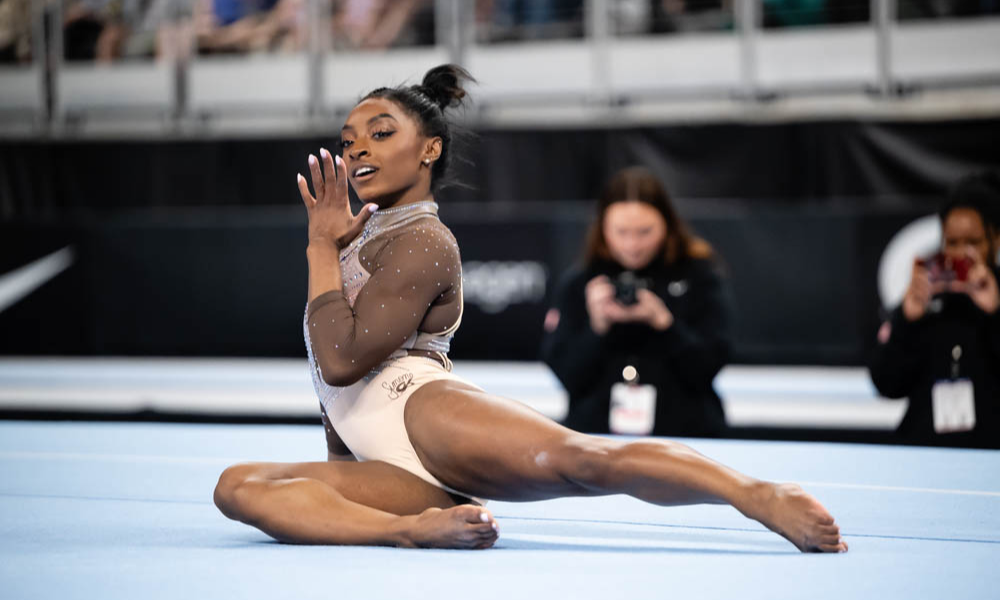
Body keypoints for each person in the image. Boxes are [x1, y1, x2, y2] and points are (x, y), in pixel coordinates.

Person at [212, 64, 847, 553]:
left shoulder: (424, 240)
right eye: (349, 142)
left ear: (429, 149)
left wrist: (320, 247)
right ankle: (410, 532)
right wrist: (344, 475)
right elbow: (329, 385)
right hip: (373, 449)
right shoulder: (359, 237)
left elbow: (344, 360)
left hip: (421, 411)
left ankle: (758, 495)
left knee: (585, 461)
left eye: (382, 134)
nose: (359, 152)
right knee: (235, 487)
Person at [541, 167, 732, 438]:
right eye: (621, 232)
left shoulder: (698, 276)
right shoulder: (581, 282)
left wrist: (664, 324)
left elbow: (708, 366)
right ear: (603, 228)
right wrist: (597, 327)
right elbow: (568, 375)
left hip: (685, 436)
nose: (632, 244)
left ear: (667, 224)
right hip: (597, 438)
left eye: (644, 232)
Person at [869, 192, 1000, 449]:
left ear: (994, 240)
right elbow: (886, 384)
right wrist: (907, 320)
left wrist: (995, 314)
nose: (962, 252)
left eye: (973, 242)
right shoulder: (923, 301)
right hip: (926, 450)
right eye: (952, 242)